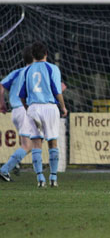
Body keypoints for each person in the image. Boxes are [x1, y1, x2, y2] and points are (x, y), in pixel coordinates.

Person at [19, 42, 67, 188]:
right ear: (46, 53)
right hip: (49, 107)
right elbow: (57, 91)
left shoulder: (27, 71)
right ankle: (53, 178)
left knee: (36, 143)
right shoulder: (52, 68)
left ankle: (40, 179)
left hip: (34, 107)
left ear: (32, 55)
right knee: (52, 142)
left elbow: (22, 94)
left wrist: (28, 108)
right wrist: (63, 107)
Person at [0, 46, 35, 182]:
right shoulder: (35, 73)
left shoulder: (16, 72)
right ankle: (6, 169)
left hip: (16, 111)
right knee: (29, 145)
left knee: (31, 142)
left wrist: (2, 104)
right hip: (25, 110)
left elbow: (1, 86)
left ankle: (16, 162)